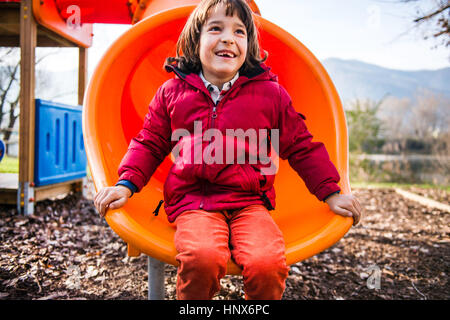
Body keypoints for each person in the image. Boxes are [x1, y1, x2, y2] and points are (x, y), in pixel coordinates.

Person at [94, 0, 362, 300]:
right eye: (215, 28)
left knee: (267, 264)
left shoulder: (270, 94)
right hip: (194, 202)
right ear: (195, 41)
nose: (227, 38)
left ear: (249, 46)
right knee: (202, 259)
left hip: (249, 203)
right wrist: (125, 184)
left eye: (239, 32)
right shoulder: (172, 92)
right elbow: (149, 142)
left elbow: (301, 146)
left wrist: (331, 192)